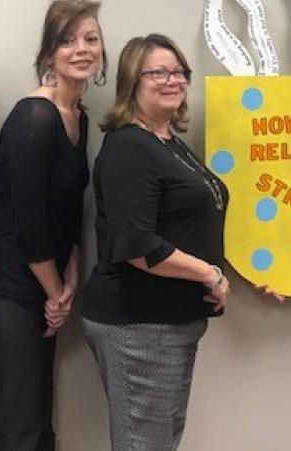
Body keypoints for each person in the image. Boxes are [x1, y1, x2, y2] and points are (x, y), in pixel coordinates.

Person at [82, 33, 230, 450]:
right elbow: (137, 245)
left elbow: (191, 223)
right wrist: (210, 274)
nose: (172, 80)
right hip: (139, 322)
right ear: (132, 81)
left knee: (158, 443)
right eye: (158, 72)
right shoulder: (130, 147)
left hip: (171, 320)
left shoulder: (166, 142)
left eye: (179, 71)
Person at [0, 0, 106, 450]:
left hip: (44, 287)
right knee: (18, 432)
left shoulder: (79, 118)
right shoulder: (34, 117)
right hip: (7, 292)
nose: (81, 49)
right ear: (49, 54)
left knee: (40, 429)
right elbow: (28, 223)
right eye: (67, 40)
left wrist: (69, 279)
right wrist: (56, 296)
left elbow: (67, 212)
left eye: (91, 38)